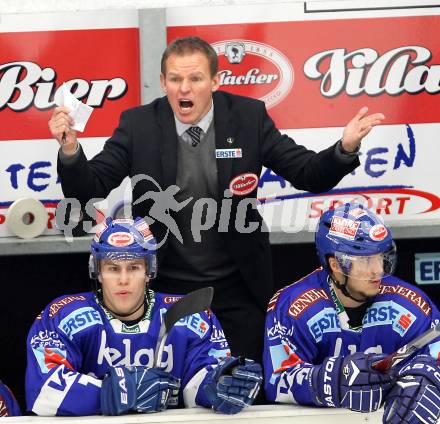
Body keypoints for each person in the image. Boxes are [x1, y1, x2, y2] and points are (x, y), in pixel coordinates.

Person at [49, 36, 385, 365]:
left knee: (244, 387)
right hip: (166, 289)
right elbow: (88, 189)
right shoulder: (139, 125)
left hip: (237, 287)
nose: (185, 88)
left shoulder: (248, 117)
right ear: (163, 82)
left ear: (215, 81)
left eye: (195, 78)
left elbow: (308, 173)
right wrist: (69, 150)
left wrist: (345, 148)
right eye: (176, 79)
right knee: (173, 394)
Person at [25, 217, 262, 416]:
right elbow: (42, 391)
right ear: (97, 272)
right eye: (113, 268)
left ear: (150, 271)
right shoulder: (63, 315)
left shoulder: (190, 315)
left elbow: (196, 384)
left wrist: (217, 384)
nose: (123, 279)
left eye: (134, 267)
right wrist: (114, 393)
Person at [263, 203, 440, 423]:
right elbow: (277, 382)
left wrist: (430, 380)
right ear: (336, 264)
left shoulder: (411, 304)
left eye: (381, 257)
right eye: (366, 260)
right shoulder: (294, 307)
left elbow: (436, 353)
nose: (379, 269)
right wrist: (329, 381)